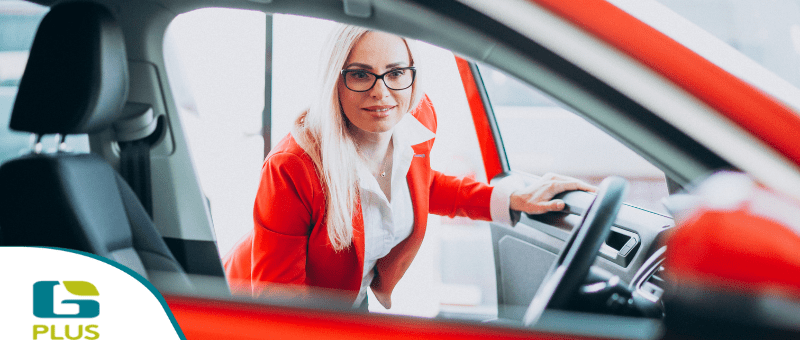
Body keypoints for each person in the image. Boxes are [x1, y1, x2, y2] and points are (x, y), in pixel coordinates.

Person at [223, 24, 595, 310]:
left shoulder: (417, 118)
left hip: (348, 303)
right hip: (267, 309)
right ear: (334, 81)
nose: (381, 92)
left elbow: (421, 185)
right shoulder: (292, 168)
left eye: (396, 73)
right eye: (360, 74)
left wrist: (511, 198)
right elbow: (280, 305)